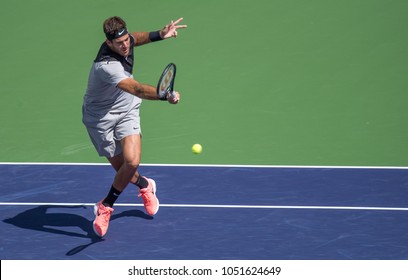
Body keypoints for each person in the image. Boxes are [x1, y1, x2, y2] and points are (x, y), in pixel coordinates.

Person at [82, 16, 187, 238]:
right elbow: (138, 89)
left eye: (125, 40)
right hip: (100, 119)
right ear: (108, 44)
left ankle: (106, 206)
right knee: (125, 171)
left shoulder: (125, 41)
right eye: (119, 43)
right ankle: (145, 185)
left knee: (132, 161)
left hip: (126, 109)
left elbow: (135, 38)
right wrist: (164, 95)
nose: (125, 45)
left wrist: (159, 34)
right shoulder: (106, 67)